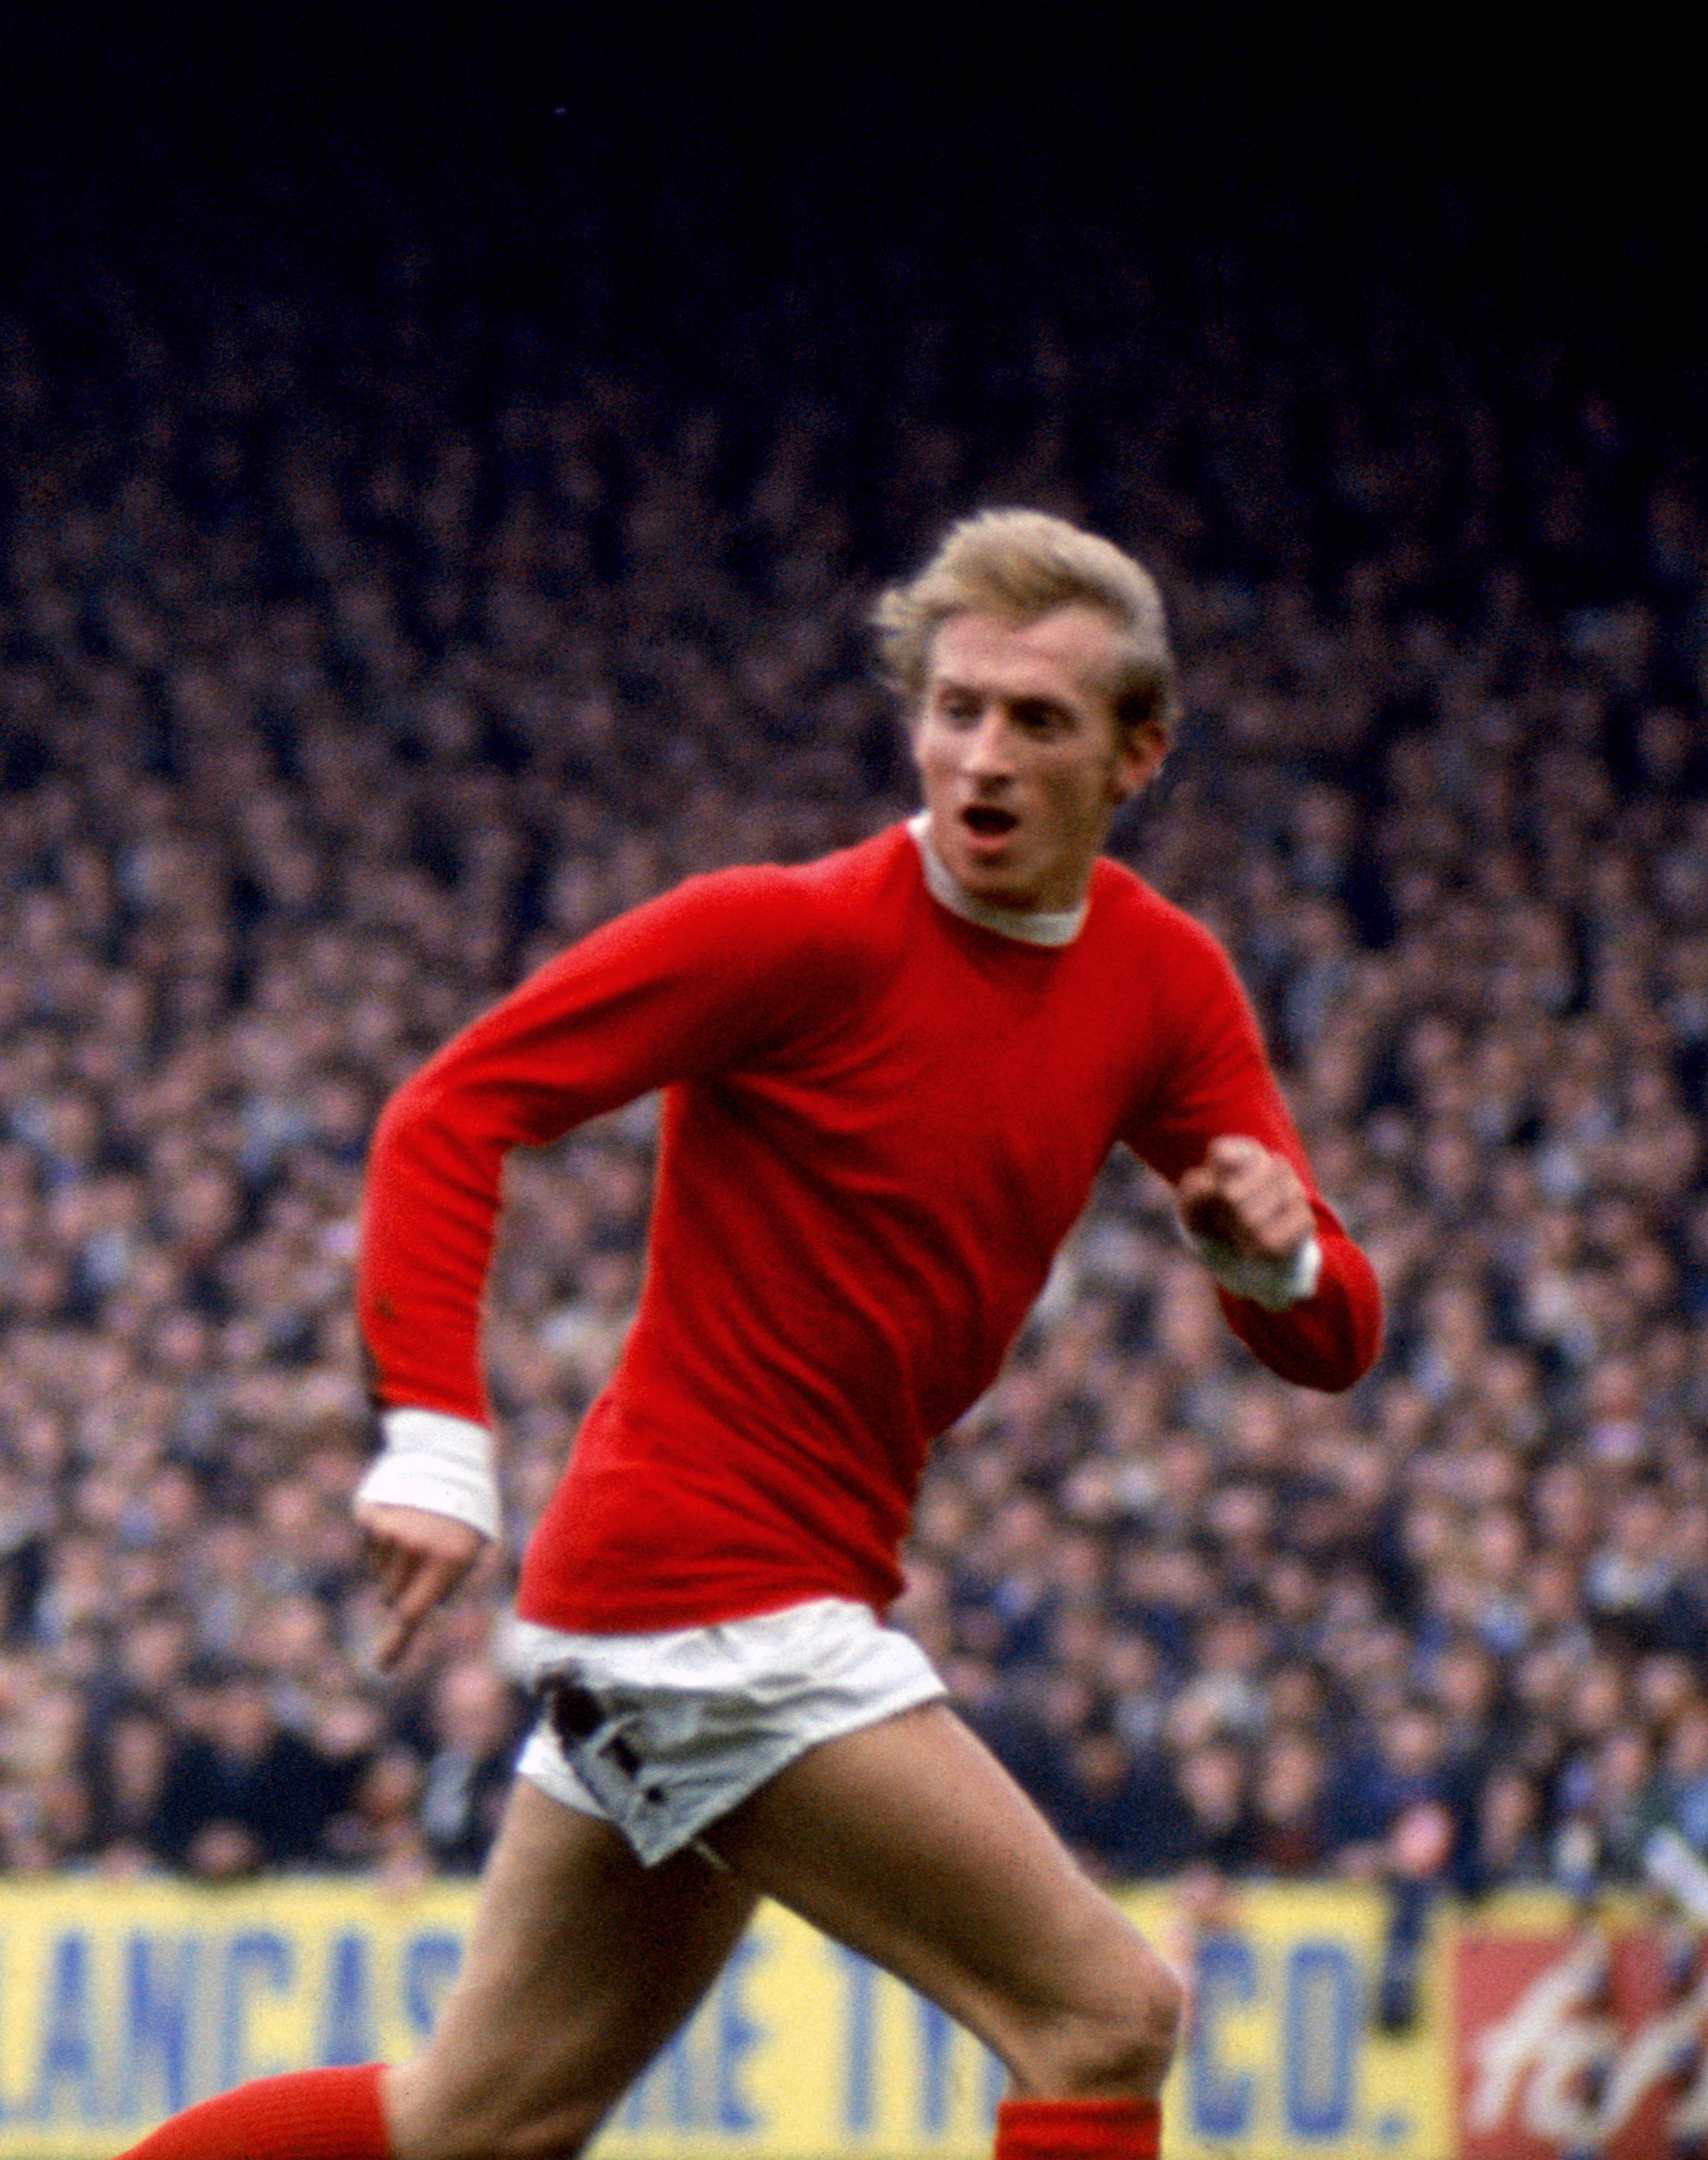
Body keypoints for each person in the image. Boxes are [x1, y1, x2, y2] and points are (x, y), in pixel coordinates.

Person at [119, 511, 1381, 2160]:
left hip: (743, 1597)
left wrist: (1269, 1262)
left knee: (476, 2123)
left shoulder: (1162, 981)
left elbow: (1333, 1334)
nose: (978, 753)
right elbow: (451, 1110)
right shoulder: (789, 932)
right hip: (702, 1590)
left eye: (1035, 720)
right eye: (953, 707)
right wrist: (431, 1439)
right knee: (1099, 2014)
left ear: (1134, 753)